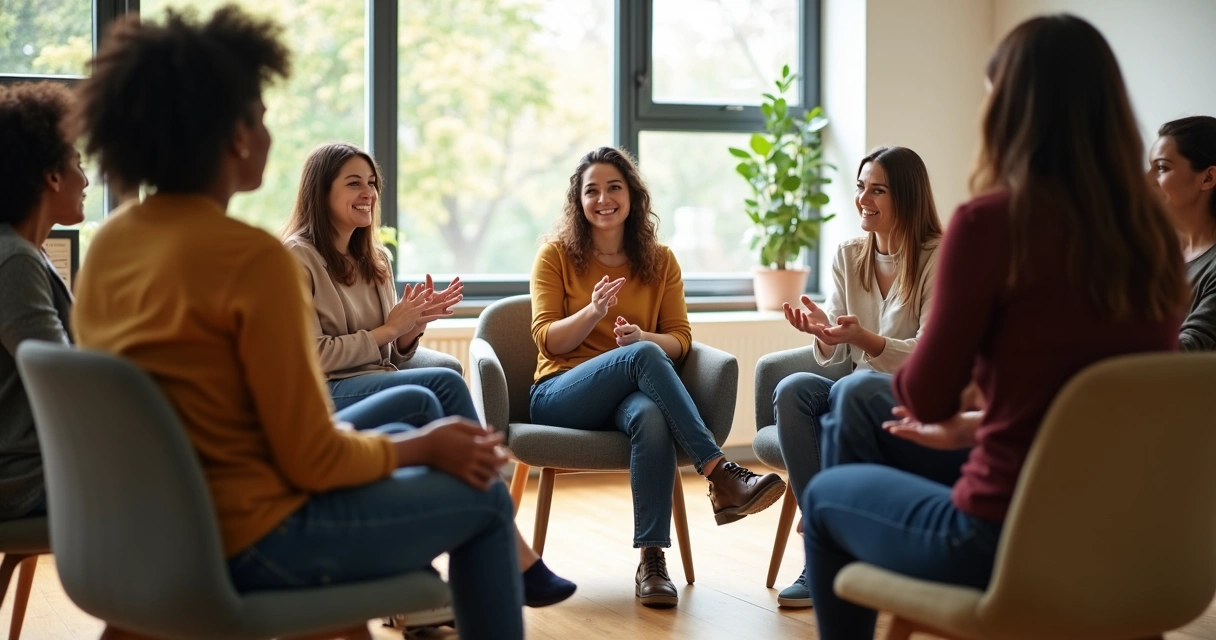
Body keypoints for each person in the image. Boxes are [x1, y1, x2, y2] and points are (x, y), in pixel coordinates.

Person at [69, 8, 523, 639]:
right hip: (247, 538)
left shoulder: (112, 247)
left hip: (134, 538)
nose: (268, 133)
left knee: (408, 411)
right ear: (234, 137)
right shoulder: (256, 261)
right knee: (482, 500)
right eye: (260, 117)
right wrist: (426, 445)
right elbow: (312, 461)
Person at [801, 14, 1188, 639]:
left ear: (1011, 112)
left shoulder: (990, 224)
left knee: (828, 492)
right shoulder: (1153, 237)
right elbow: (1098, 400)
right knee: (855, 406)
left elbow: (922, 394)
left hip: (1001, 538)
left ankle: (885, 588)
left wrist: (977, 386)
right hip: (1132, 540)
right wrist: (981, 417)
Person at [282, 141, 575, 608]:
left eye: (372, 183)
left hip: (369, 385)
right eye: (354, 183)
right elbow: (309, 357)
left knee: (431, 395)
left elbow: (390, 361)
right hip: (326, 394)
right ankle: (502, 527)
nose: (369, 193)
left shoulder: (374, 260)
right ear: (321, 192)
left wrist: (409, 332)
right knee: (438, 387)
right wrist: (387, 329)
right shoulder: (295, 259)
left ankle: (441, 552)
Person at [529, 146, 786, 608]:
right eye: (592, 191)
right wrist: (594, 312)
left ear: (632, 196)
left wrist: (641, 338)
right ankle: (719, 471)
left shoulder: (660, 261)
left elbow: (681, 339)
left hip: (628, 396)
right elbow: (549, 341)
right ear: (578, 201)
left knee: (649, 414)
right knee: (643, 357)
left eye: (614, 188)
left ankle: (652, 561)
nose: (603, 199)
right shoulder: (555, 257)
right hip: (559, 394)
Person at [773, 145, 953, 608]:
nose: (862, 198)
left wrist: (869, 341)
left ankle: (825, 550)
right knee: (792, 389)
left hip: (909, 394)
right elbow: (838, 347)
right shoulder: (849, 254)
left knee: (851, 387)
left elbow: (931, 354)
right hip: (851, 385)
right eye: (860, 187)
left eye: (877, 190)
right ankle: (824, 532)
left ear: (907, 197)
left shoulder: (940, 256)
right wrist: (823, 332)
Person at [0, 81, 88, 521]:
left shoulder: (22, 252)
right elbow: (63, 383)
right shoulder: (14, 260)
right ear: (52, 175)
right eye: (78, 163)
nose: (86, 179)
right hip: (28, 480)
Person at [1149, 116, 1216, 351]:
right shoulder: (1153, 252)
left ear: (1208, 178)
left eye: (1161, 168)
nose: (1147, 180)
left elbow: (1188, 356)